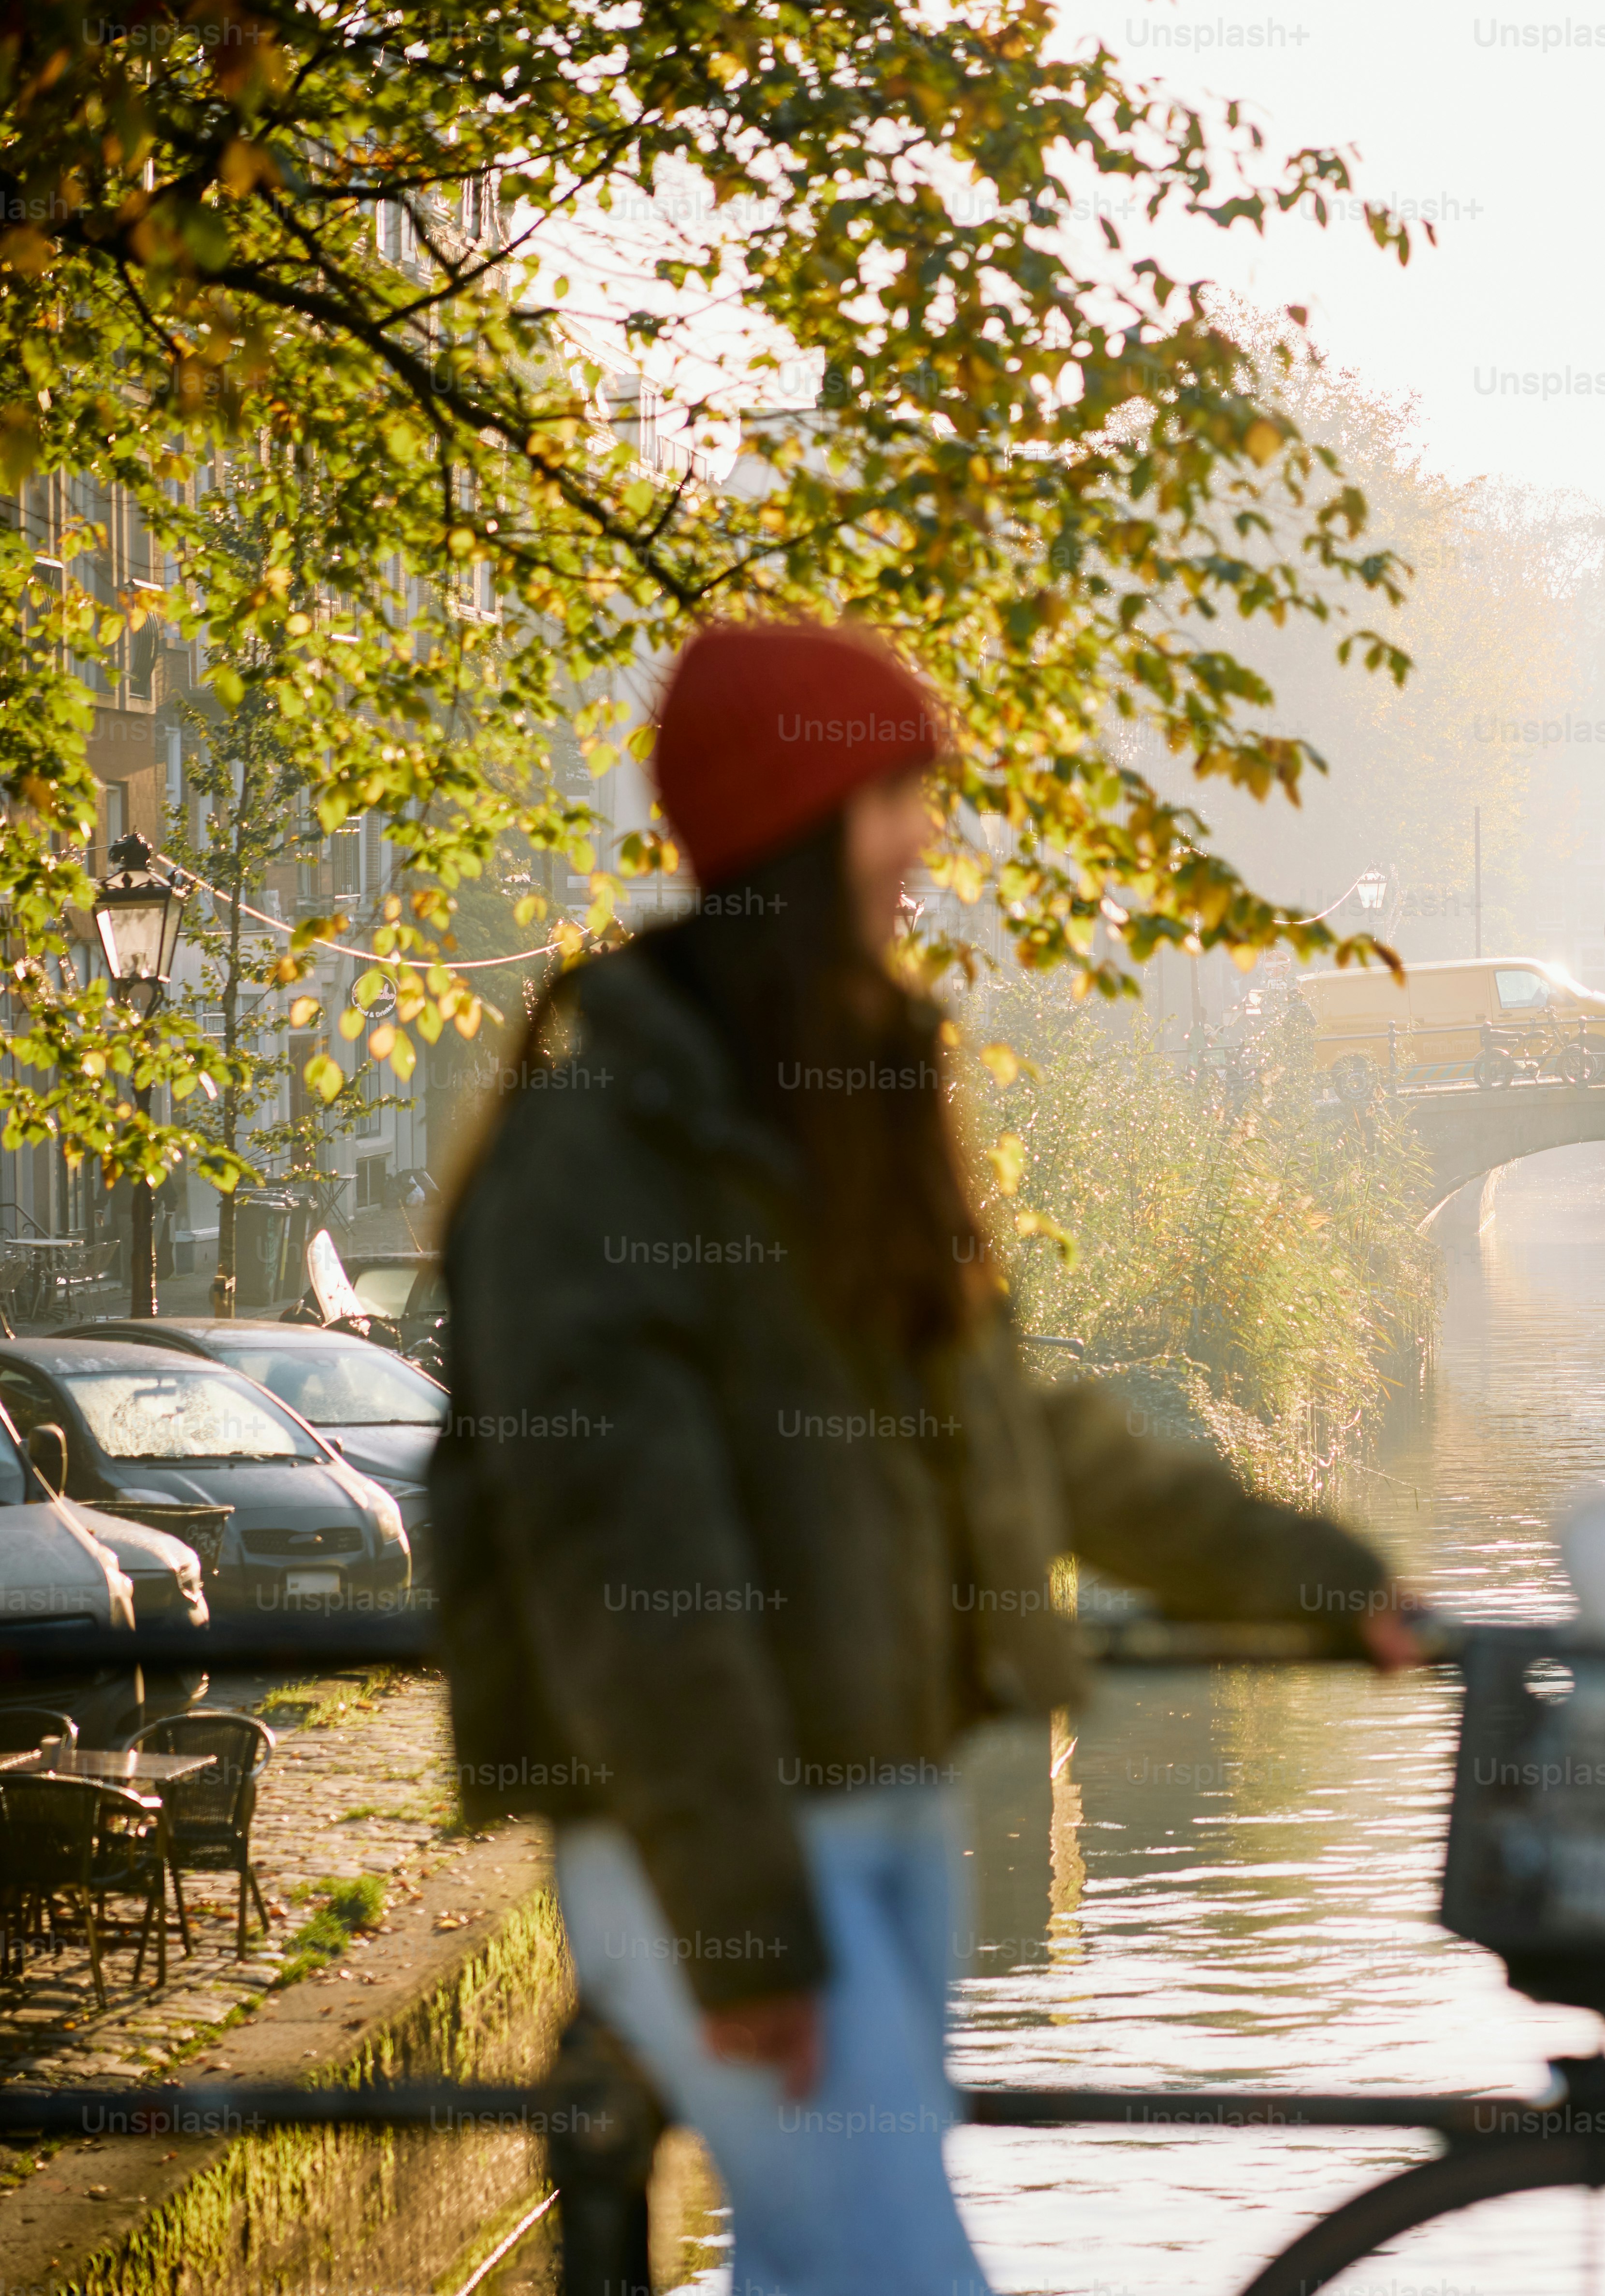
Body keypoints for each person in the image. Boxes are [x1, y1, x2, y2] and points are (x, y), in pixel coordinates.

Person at [429, 621, 1418, 2295]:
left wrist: (1316, 1577)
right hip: (725, 1854)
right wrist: (742, 1913)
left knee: (820, 2276)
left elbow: (1024, 1431)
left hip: (893, 1800)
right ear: (796, 827)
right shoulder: (595, 1154)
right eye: (894, 801)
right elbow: (624, 1571)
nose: (926, 844)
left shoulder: (856, 1102)